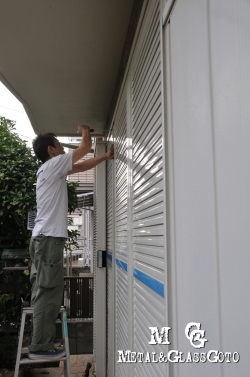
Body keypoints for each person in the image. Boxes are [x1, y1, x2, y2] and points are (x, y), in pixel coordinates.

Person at [28, 125, 114, 360]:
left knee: (43, 290)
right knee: (49, 292)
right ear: (51, 150)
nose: (64, 148)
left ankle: (42, 338)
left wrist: (104, 156)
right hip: (48, 240)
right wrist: (84, 129)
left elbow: (80, 165)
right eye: (60, 145)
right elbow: (85, 148)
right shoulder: (52, 165)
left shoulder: (48, 169)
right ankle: (40, 346)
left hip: (42, 239)